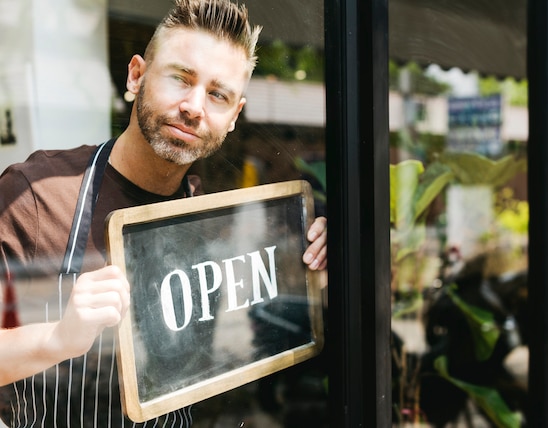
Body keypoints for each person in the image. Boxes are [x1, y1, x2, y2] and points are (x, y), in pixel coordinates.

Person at [0, 0, 327, 425]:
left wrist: (316, 248)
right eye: (180, 78)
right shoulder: (36, 195)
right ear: (137, 76)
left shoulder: (204, 214)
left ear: (233, 118)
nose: (194, 106)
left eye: (217, 94)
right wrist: (59, 337)